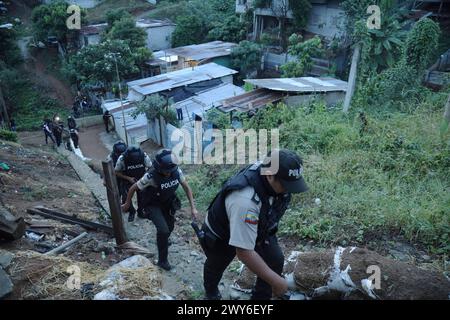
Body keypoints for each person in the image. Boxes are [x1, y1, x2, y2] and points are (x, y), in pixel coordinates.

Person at [201, 149, 308, 300]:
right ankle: (211, 292)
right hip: (222, 232)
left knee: (275, 259)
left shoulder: (272, 173)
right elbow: (244, 252)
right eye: (286, 185)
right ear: (270, 176)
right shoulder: (245, 200)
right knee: (217, 264)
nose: (288, 190)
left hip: (258, 226)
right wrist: (277, 282)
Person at [121, 149, 198, 271]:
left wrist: (193, 208)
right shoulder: (150, 176)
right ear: (159, 168)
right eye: (166, 171)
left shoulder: (176, 171)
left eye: (170, 171)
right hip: (152, 205)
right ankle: (162, 260)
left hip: (168, 203)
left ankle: (163, 241)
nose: (168, 173)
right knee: (163, 230)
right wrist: (127, 203)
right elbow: (133, 188)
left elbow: (186, 187)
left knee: (170, 227)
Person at [115, 146, 152, 222]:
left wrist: (144, 176)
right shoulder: (122, 158)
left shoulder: (144, 156)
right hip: (127, 179)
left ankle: (140, 212)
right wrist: (128, 178)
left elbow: (150, 167)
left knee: (143, 197)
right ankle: (132, 211)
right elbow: (116, 172)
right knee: (126, 197)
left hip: (141, 178)